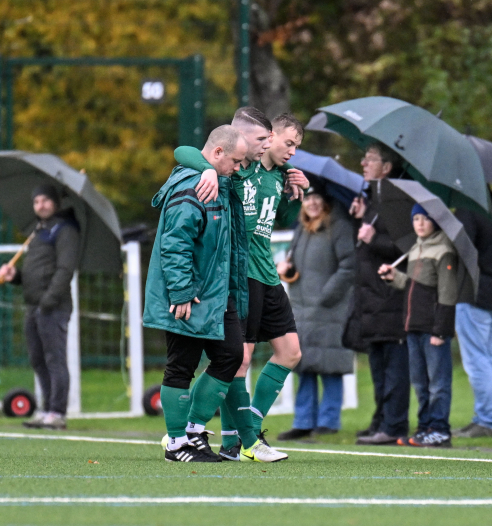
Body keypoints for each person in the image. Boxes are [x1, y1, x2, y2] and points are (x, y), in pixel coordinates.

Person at [174, 109, 309, 462]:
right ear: (268, 138)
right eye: (287, 142)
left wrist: (299, 194)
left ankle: (248, 429)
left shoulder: (280, 176)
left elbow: (278, 221)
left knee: (291, 352)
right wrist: (206, 168)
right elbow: (185, 152)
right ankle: (228, 438)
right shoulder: (239, 167)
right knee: (240, 358)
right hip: (240, 274)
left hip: (268, 275)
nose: (291, 151)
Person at [143, 125, 250, 463]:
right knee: (181, 366)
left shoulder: (218, 181)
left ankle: (193, 431)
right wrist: (182, 292)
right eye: (235, 161)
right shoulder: (193, 188)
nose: (238, 168)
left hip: (215, 295)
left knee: (231, 355)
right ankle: (176, 444)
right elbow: (175, 246)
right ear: (218, 153)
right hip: (190, 296)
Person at [275, 183, 356, 440]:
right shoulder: (301, 230)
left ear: (326, 203)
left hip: (329, 309)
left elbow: (349, 266)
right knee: (304, 365)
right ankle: (303, 421)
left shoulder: (339, 227)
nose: (312, 203)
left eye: (317, 198)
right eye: (308, 199)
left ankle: (329, 421)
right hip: (301, 310)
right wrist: (286, 268)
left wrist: (327, 295)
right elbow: (295, 266)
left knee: (330, 365)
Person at [0, 183, 80, 430]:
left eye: (45, 200)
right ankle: (46, 410)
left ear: (55, 202)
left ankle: (57, 412)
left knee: (55, 359)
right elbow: (36, 273)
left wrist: (48, 300)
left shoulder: (65, 230)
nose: (40, 205)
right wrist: (16, 276)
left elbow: (65, 270)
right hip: (33, 306)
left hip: (52, 307)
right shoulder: (38, 231)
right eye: (36, 201)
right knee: (38, 360)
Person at [378, 204, 459, 448]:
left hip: (433, 330)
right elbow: (415, 286)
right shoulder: (415, 249)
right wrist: (395, 278)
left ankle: (440, 429)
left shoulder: (444, 250)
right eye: (416, 219)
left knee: (437, 383)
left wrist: (441, 330)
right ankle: (424, 427)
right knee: (420, 383)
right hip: (413, 327)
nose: (420, 224)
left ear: (435, 222)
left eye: (425, 219)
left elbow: (447, 294)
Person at [346, 143, 410, 445]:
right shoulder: (372, 201)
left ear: (386, 167)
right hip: (370, 301)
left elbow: (406, 248)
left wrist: (376, 239)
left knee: (395, 369)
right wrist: (360, 219)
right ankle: (380, 421)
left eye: (370, 159)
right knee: (379, 368)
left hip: (390, 298)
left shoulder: (397, 201)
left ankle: (394, 424)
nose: (363, 163)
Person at [452, 190, 492, 438]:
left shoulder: (468, 209)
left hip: (474, 294)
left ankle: (489, 419)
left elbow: (461, 250)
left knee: (477, 360)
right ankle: (485, 415)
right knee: (486, 358)